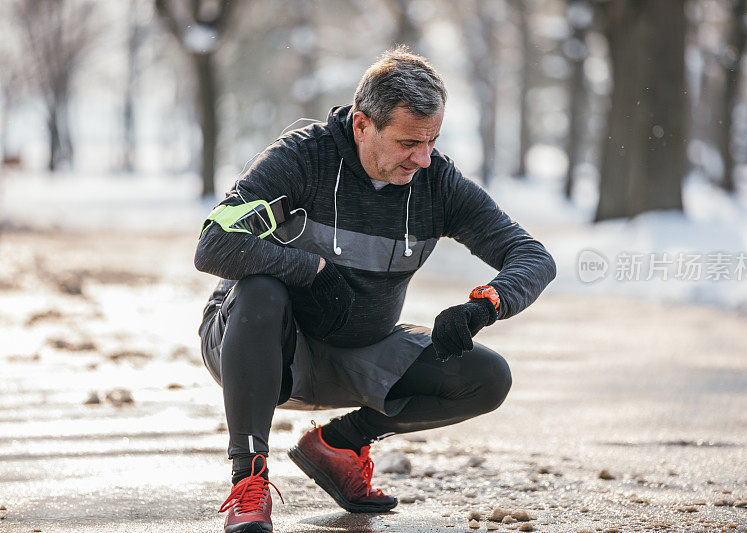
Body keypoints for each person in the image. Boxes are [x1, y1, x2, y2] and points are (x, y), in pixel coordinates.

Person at [195, 46, 556, 533]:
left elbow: (532, 257)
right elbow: (214, 243)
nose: (423, 158)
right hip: (262, 348)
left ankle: (341, 444)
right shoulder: (303, 160)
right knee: (262, 289)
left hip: (358, 350)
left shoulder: (436, 184)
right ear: (363, 125)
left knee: (487, 376)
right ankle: (248, 481)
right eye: (409, 142)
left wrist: (485, 305)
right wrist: (313, 271)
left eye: (432, 141)